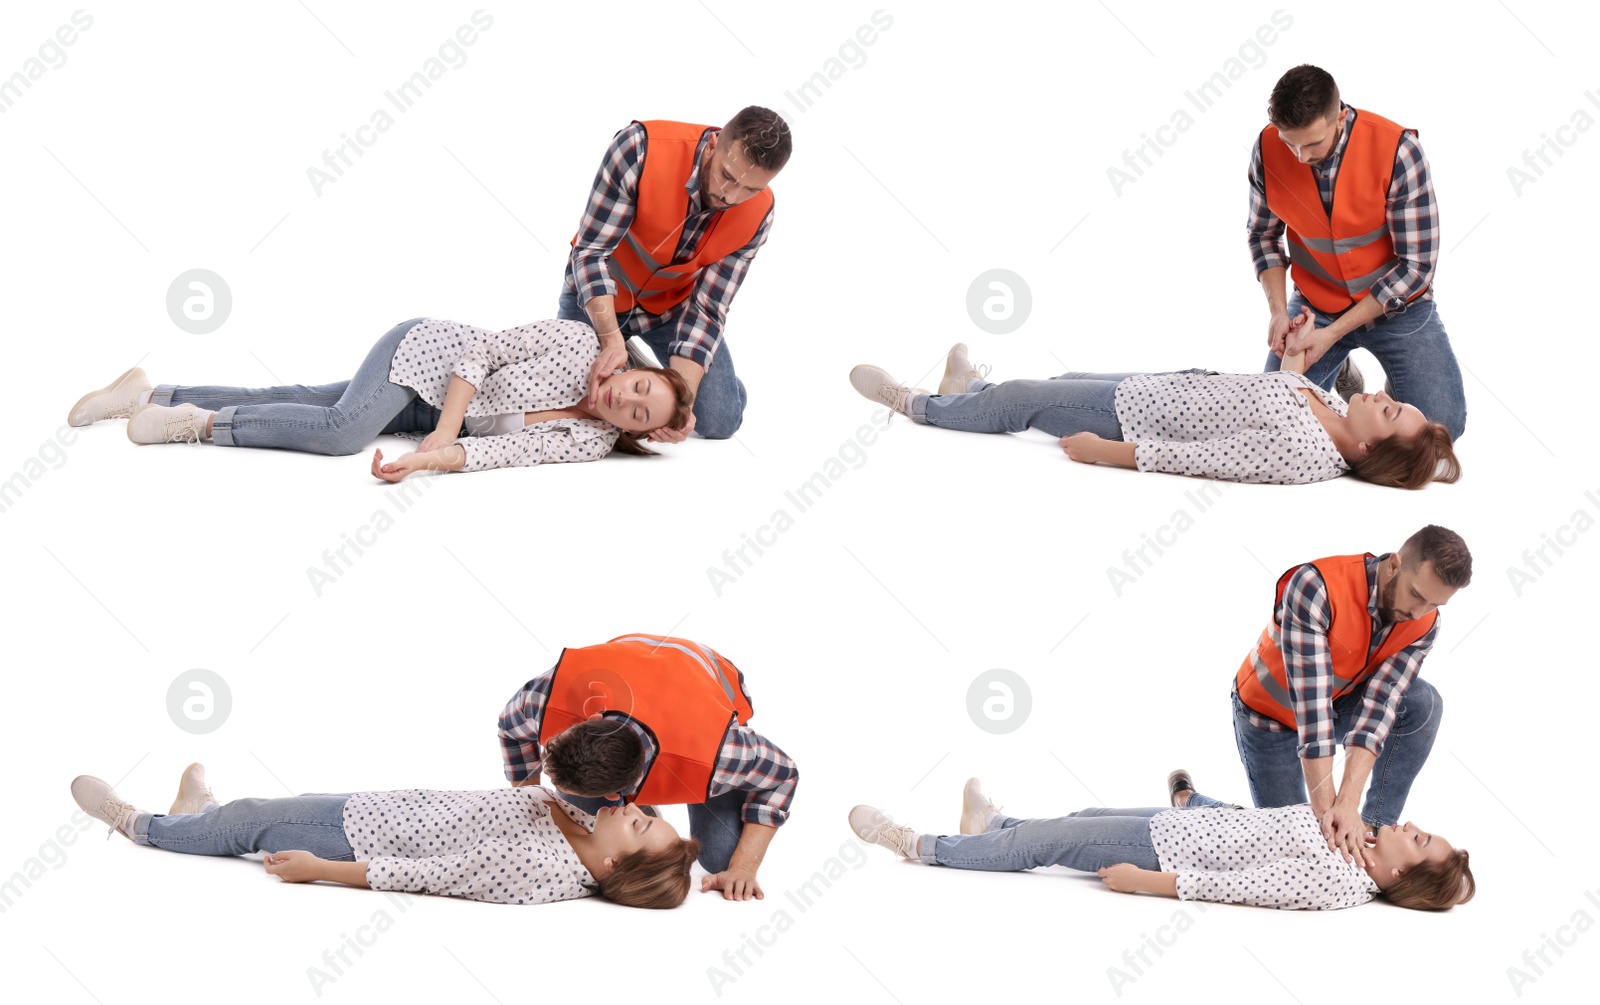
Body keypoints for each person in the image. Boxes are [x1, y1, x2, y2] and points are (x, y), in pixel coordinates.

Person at [67, 316, 693, 481]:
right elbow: (479, 354)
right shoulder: (578, 342)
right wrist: (444, 433)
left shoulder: (588, 441)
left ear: (635, 432)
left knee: (298, 399)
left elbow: (495, 457)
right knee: (342, 430)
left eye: (641, 416)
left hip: (426, 414)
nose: (629, 403)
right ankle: (194, 423)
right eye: (642, 388)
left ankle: (145, 393)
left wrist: (421, 459)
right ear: (637, 369)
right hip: (429, 352)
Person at [849, 334, 1459, 488]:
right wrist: (1295, 354)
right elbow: (1278, 390)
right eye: (1393, 400)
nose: (1381, 395)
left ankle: (919, 405)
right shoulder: (1329, 406)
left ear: (1366, 450)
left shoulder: (1304, 455)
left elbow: (1202, 460)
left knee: (1028, 401)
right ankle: (968, 395)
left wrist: (1106, 453)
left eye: (1387, 412)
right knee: (1055, 380)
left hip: (1133, 421)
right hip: (1160, 387)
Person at [69, 762, 699, 909]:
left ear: (615, 866)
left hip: (355, 840)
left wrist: (320, 869)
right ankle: (199, 813)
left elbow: (427, 876)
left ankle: (138, 825)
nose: (634, 807)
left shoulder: (541, 872)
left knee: (252, 821)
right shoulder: (587, 823)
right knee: (255, 811)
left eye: (642, 822)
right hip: (380, 808)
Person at [849, 774, 1473, 912]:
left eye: (1418, 841)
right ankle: (993, 828)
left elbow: (1242, 889)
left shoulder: (1337, 882)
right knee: (1080, 816)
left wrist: (1148, 882)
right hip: (1180, 826)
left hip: (1166, 854)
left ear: (1400, 877)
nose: (1409, 827)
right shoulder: (1354, 834)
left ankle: (913, 843)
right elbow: (1265, 820)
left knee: (1045, 847)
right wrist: (1196, 804)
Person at [1249, 64, 1467, 440]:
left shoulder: (1398, 150)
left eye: (1312, 143)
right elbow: (1262, 237)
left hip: (1399, 306)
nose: (1300, 156)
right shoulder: (1268, 149)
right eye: (1290, 143)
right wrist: (1279, 312)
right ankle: (1341, 370)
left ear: (1340, 117)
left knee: (1438, 428)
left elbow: (1416, 267)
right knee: (1273, 420)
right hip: (1315, 306)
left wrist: (1333, 334)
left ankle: (1380, 388)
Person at [1233, 525, 1472, 861]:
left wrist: (1347, 809)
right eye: (1416, 595)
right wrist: (1329, 820)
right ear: (1393, 565)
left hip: (1335, 705)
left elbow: (1379, 705)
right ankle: (1191, 800)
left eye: (1435, 603)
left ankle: (1374, 836)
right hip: (1268, 718)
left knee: (1422, 703)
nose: (1419, 612)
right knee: (1286, 847)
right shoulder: (1317, 586)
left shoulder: (1425, 623)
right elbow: (1312, 709)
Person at [499, 633, 798, 901]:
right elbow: (510, 730)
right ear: (589, 720)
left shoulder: (719, 754)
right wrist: (531, 800)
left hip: (703, 683)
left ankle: (666, 811)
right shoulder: (547, 697)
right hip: (631, 660)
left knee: (722, 858)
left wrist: (744, 868)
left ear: (620, 793)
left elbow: (783, 776)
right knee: (588, 830)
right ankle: (640, 822)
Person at [559, 107, 792, 442]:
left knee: (718, 422)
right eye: (728, 176)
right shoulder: (639, 148)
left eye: (750, 189)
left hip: (671, 311)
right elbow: (591, 254)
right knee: (577, 401)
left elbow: (708, 308)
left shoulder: (760, 214)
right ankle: (628, 354)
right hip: (596, 300)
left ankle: (652, 369)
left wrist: (680, 399)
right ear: (713, 145)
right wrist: (610, 340)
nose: (731, 197)